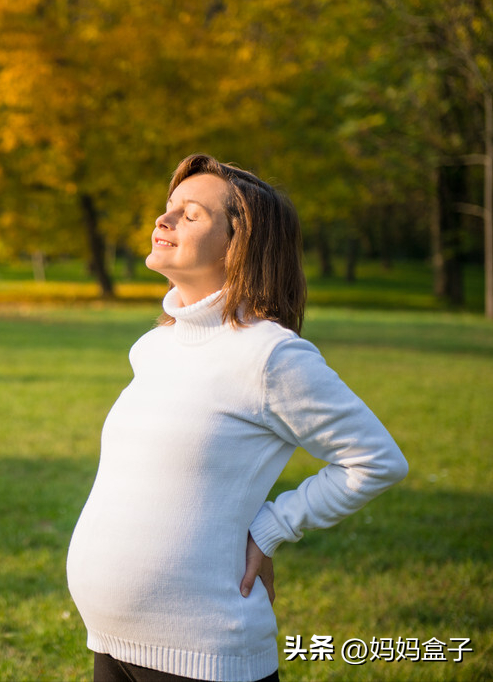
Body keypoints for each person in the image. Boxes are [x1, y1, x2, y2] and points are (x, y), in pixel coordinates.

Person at [65, 154, 409, 682]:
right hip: (111, 643)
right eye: (169, 208)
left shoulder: (271, 356)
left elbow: (375, 460)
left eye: (192, 213)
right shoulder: (154, 347)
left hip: (202, 655)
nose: (165, 220)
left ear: (238, 242)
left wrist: (273, 526)